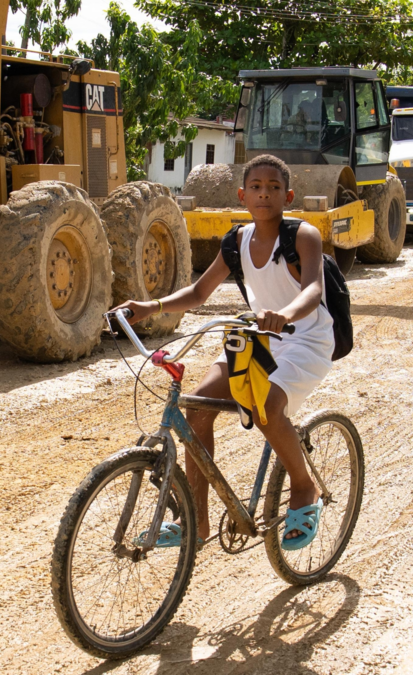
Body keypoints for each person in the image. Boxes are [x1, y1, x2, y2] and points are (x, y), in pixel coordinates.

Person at [112, 154, 330, 550]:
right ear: (242, 195)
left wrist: (283, 314)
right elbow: (198, 292)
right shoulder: (236, 241)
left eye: (274, 188)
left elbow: (314, 289)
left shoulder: (303, 236)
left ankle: (303, 486)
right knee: (195, 411)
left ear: (289, 195)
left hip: (305, 337)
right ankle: (197, 521)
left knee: (266, 407)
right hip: (256, 336)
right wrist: (152, 306)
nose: (265, 194)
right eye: (257, 188)